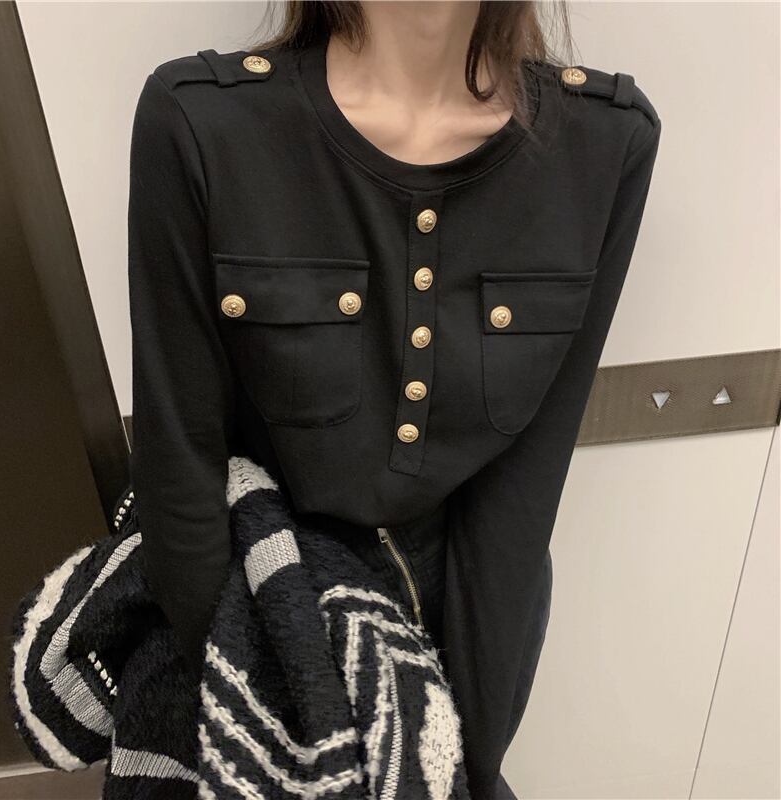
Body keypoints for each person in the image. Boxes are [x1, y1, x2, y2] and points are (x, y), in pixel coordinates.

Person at [126, 2, 662, 798]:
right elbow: (180, 465)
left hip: (470, 610)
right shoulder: (204, 122)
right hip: (262, 595)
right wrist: (263, 717)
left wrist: (467, 758)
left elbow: (525, 487)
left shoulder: (604, 141)